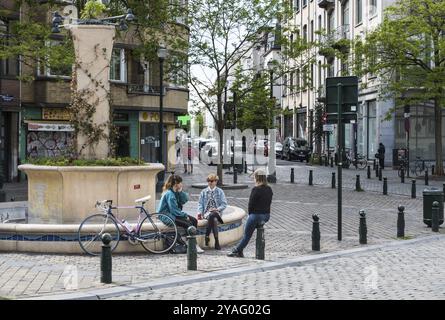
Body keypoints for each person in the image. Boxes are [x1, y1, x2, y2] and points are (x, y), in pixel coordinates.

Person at [227, 169, 273, 258]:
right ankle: (240, 251)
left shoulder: (256, 189)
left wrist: (250, 215)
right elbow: (269, 203)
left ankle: (236, 250)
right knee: (249, 230)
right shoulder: (269, 189)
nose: (253, 179)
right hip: (266, 216)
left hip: (255, 216)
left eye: (254, 177)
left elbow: (251, 205)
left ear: (257, 178)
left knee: (247, 235)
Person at [157, 174, 204, 253]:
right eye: (180, 183)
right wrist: (185, 216)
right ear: (176, 183)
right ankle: (193, 245)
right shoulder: (170, 194)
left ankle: (190, 241)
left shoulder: (175, 192)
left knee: (194, 220)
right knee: (188, 224)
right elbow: (174, 210)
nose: (181, 184)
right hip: (167, 216)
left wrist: (180, 192)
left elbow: (184, 200)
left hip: (174, 214)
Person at [197, 174, 228, 250]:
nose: (210, 182)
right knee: (213, 217)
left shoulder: (220, 191)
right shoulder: (203, 192)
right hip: (207, 213)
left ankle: (207, 236)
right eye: (208, 181)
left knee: (213, 215)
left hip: (217, 212)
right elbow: (200, 204)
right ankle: (216, 241)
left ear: (216, 182)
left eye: (211, 181)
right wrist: (199, 213)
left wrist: (217, 209)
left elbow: (224, 204)